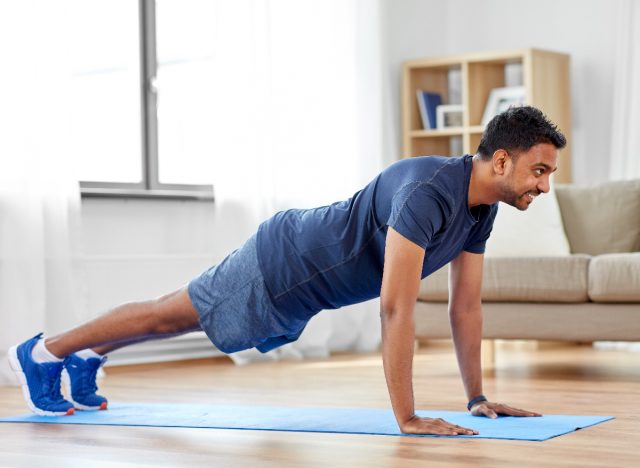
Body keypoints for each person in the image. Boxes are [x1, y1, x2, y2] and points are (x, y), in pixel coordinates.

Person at [9, 105, 566, 436]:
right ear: (500, 160)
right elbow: (395, 307)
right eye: (539, 171)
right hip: (284, 261)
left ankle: (86, 355)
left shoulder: (481, 210)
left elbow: (464, 305)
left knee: (178, 320)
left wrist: (476, 399)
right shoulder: (428, 192)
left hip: (307, 287)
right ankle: (44, 353)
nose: (544, 185)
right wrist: (408, 418)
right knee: (168, 317)